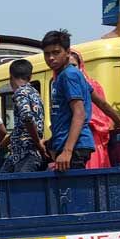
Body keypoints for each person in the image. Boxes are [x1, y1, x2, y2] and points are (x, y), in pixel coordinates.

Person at [42, 30, 95, 170]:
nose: (51, 58)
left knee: (71, 191)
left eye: (56, 52)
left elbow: (79, 113)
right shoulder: (63, 76)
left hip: (75, 146)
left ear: (67, 52)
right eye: (47, 54)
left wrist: (67, 151)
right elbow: (98, 100)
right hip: (68, 144)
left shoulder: (68, 75)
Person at [0, 59, 49, 173]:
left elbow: (27, 118)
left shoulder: (20, 93)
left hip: (26, 153)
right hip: (19, 153)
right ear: (30, 77)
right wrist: (3, 144)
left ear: (10, 76)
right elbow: (22, 126)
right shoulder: (35, 93)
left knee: (18, 188)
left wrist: (38, 142)